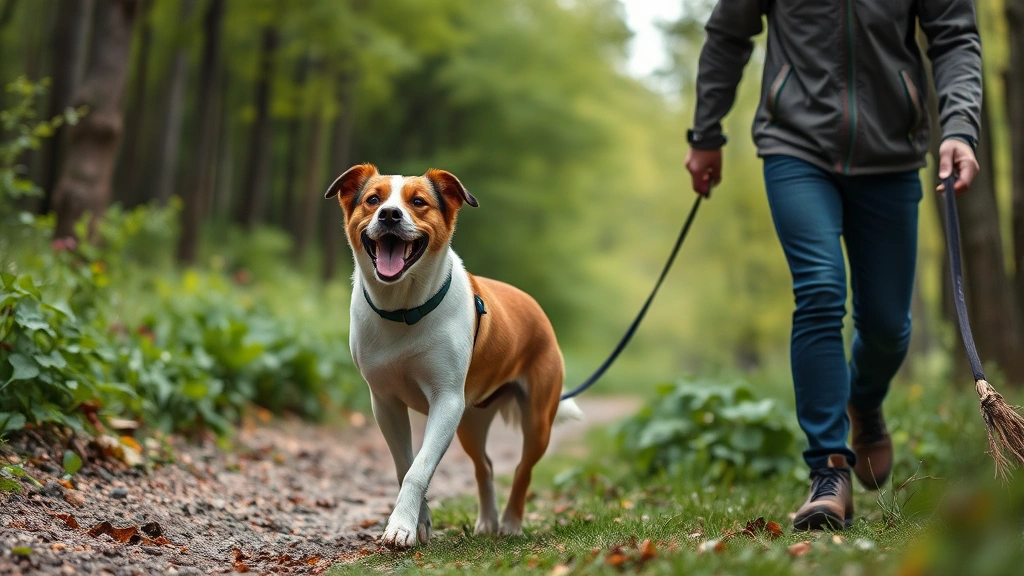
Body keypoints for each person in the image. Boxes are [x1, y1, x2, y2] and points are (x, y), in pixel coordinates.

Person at [685, 0, 982, 531]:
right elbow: (729, 33)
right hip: (794, 146)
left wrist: (959, 125)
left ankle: (863, 403)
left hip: (891, 154)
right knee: (820, 291)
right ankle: (829, 470)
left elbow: (955, 36)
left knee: (890, 328)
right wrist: (706, 134)